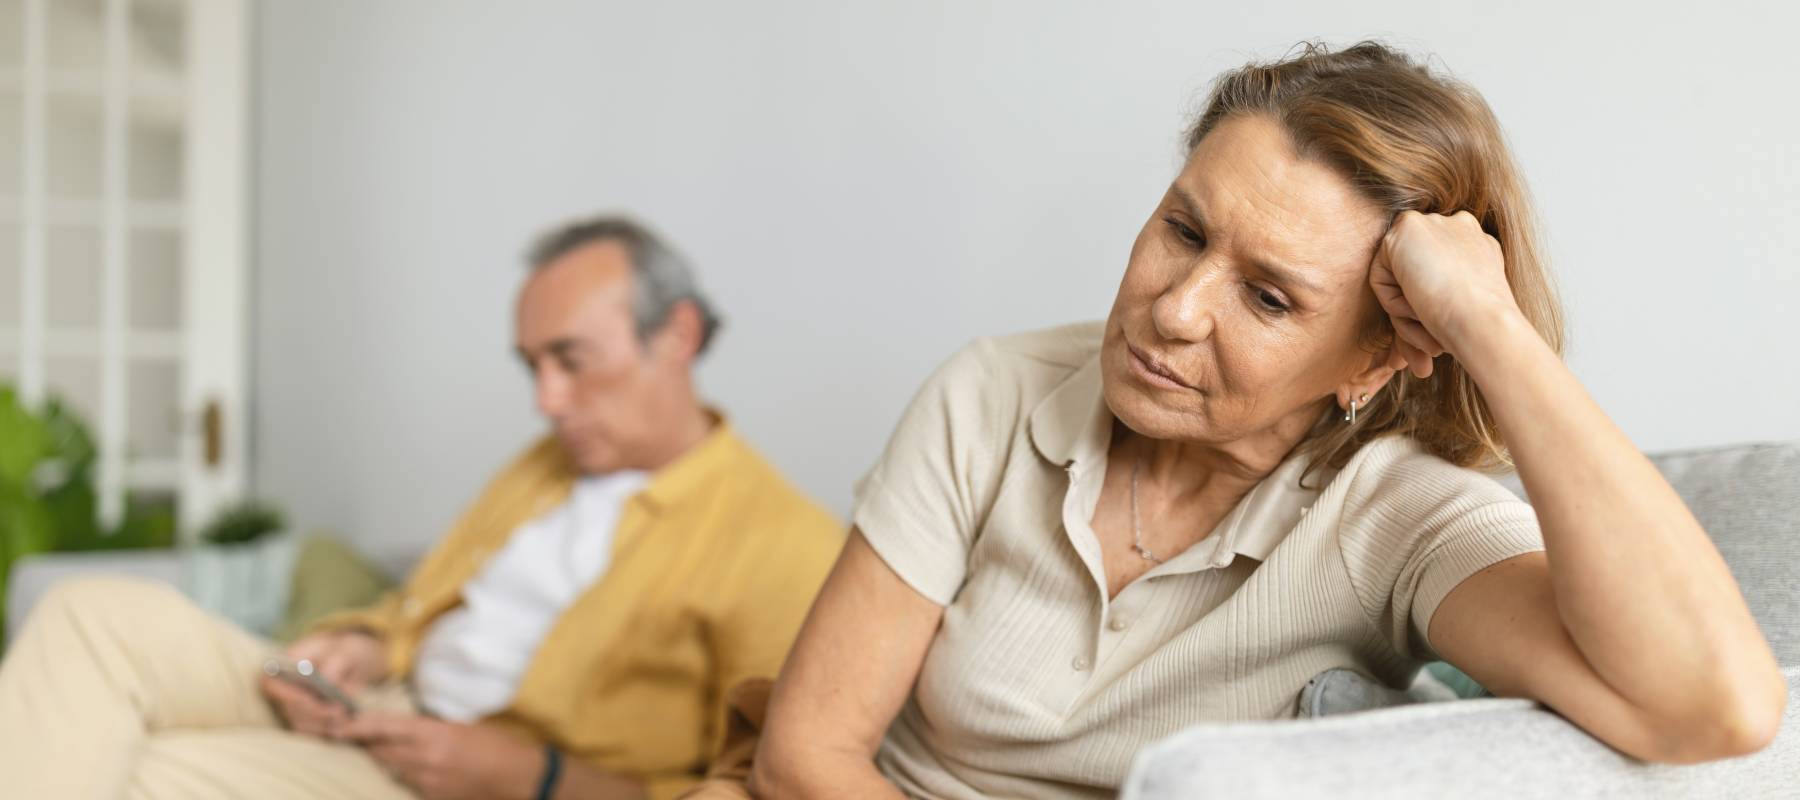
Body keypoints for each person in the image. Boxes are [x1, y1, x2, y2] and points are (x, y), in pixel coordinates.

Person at [747, 42, 1786, 799]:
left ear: (1379, 358)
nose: (1176, 307)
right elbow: (806, 752)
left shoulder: (1398, 520)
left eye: (1269, 297)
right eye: (1183, 230)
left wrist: (1488, 323)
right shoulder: (993, 392)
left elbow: (1717, 708)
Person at [0, 215, 843, 800]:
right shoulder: (548, 466)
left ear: (680, 334)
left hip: (467, 781)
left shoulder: (786, 546)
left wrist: (534, 780)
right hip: (375, 709)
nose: (547, 400)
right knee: (88, 615)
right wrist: (362, 644)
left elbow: (755, 787)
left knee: (138, 769)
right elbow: (421, 606)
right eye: (531, 366)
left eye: (572, 360)